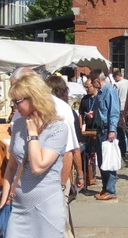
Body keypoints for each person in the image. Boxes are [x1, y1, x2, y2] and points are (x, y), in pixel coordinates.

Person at [0, 74, 68, 238]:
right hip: (17, 208)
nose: (14, 106)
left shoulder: (58, 129)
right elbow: (11, 168)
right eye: (13, 101)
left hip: (46, 209)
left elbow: (38, 166)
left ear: (34, 97)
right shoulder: (18, 125)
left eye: (18, 101)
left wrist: (32, 134)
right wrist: (3, 204)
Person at [45, 75, 86, 238]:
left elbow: (71, 150)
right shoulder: (64, 109)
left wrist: (65, 182)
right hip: (56, 175)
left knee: (61, 223)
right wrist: (80, 175)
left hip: (59, 174)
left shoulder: (62, 110)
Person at [90, 69, 121, 200]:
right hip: (100, 129)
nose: (92, 85)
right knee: (102, 161)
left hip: (107, 130)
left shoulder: (110, 91)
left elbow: (114, 112)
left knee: (109, 160)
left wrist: (112, 130)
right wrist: (94, 115)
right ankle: (105, 188)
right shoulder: (100, 93)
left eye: (92, 82)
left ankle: (111, 190)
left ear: (98, 80)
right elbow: (102, 111)